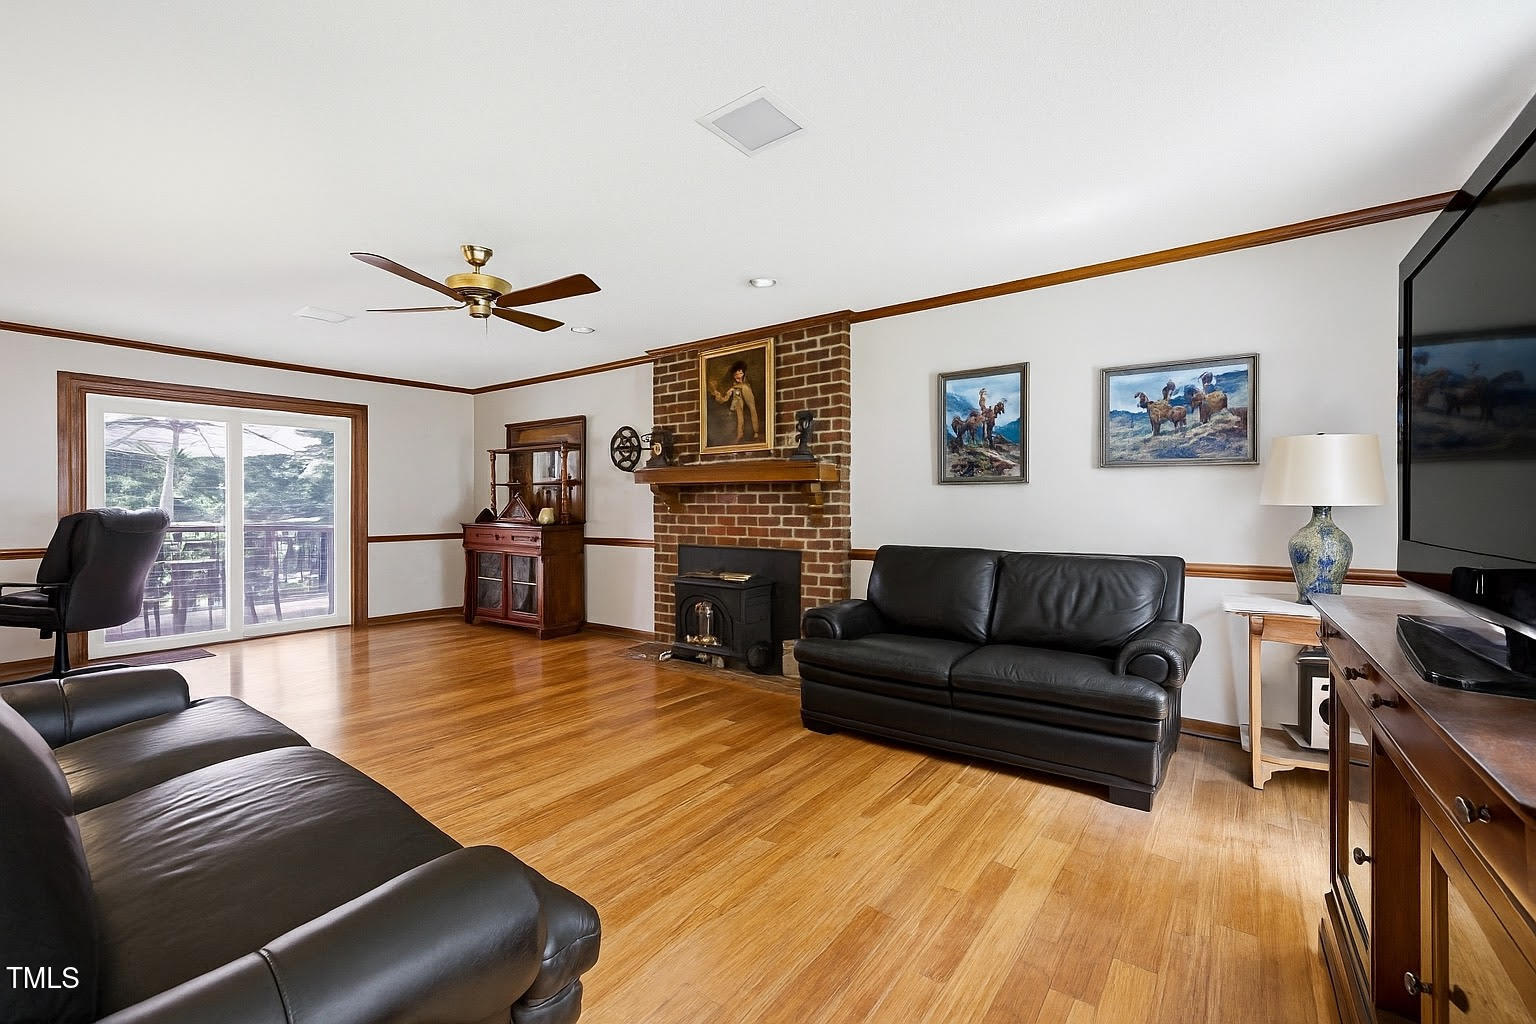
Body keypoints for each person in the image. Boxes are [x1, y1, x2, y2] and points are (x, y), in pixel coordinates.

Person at [711, 360, 760, 443]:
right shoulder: (734, 387)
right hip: (737, 395)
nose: (738, 376)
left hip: (744, 392)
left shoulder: (745, 386)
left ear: (743, 373)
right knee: (739, 413)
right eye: (736, 374)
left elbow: (752, 407)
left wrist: (733, 389)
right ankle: (740, 434)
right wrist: (717, 394)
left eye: (740, 373)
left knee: (752, 409)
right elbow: (724, 399)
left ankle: (756, 431)